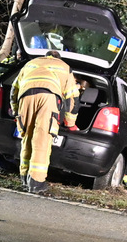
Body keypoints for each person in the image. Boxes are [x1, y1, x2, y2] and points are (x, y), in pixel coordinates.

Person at [11, 37, 79, 196]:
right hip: (47, 99)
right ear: (58, 58)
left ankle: (24, 176)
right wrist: (70, 122)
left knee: (27, 137)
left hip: (25, 98)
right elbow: (72, 98)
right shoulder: (64, 67)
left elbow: (14, 90)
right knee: (41, 139)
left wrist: (16, 112)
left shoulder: (31, 64)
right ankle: (36, 182)